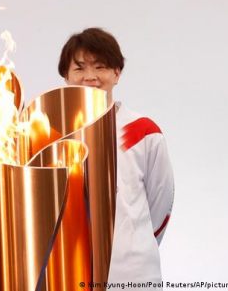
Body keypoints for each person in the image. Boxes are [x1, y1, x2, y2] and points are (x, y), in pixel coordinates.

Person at [58, 27, 175, 287]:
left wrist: (133, 239)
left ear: (116, 73)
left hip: (132, 275)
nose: (90, 77)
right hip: (65, 274)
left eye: (100, 67)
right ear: (66, 76)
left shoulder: (143, 131)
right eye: (79, 69)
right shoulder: (48, 135)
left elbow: (161, 202)